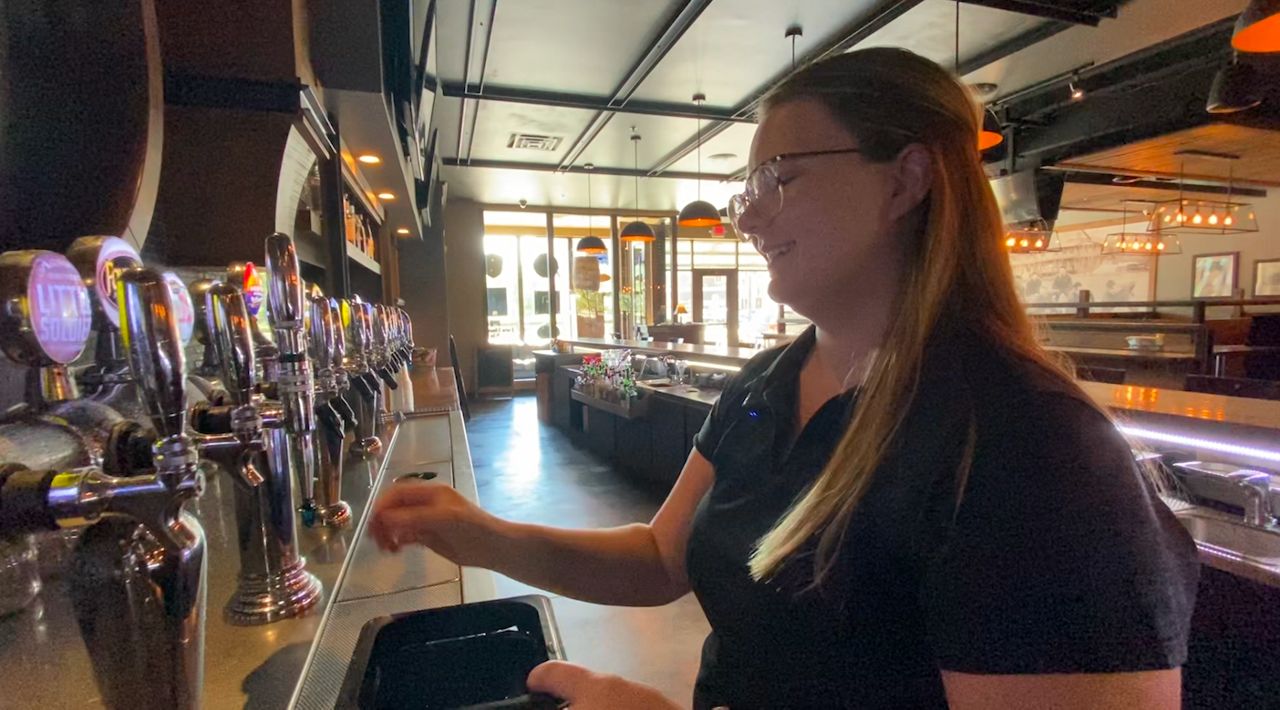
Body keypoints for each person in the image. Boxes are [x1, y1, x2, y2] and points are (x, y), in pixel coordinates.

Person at [370, 47, 1198, 709]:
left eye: (779, 177)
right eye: (745, 187)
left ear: (906, 180)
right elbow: (663, 559)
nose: (748, 215)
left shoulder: (1030, 446)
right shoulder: (768, 382)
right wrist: (485, 537)